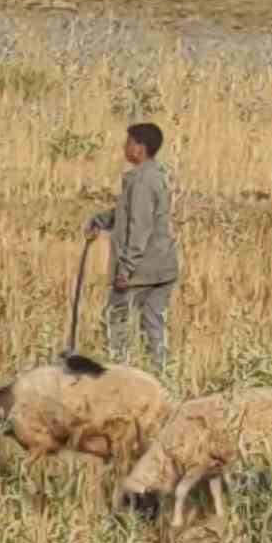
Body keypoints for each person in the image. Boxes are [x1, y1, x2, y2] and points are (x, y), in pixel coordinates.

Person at [85, 122, 177, 370]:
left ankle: (117, 378)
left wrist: (126, 269)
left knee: (115, 321)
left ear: (139, 148)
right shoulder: (155, 175)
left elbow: (139, 228)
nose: (124, 147)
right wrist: (102, 220)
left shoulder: (141, 182)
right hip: (163, 267)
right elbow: (131, 214)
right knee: (153, 326)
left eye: (128, 143)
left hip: (141, 270)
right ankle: (162, 377)